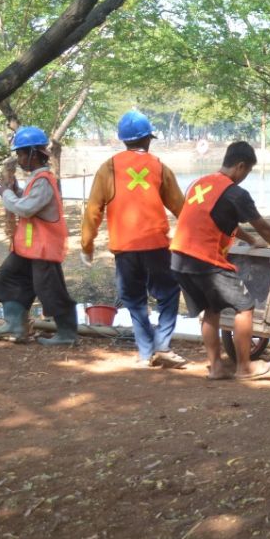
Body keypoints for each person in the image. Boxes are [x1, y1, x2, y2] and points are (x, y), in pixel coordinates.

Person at [170, 141, 270, 381]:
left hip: (178, 257)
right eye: (247, 171)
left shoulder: (199, 184)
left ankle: (216, 368)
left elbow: (221, 219)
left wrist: (250, 240)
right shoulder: (235, 193)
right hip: (203, 260)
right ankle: (245, 367)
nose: (245, 177)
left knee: (211, 310)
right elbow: (263, 225)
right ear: (240, 166)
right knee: (245, 306)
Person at [80, 111, 188, 370]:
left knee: (135, 300)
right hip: (156, 245)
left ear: (124, 140)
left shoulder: (108, 167)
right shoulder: (159, 166)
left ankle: (145, 352)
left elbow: (93, 209)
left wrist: (87, 245)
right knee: (169, 293)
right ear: (148, 139)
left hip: (124, 248)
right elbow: (181, 208)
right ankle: (162, 345)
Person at [0, 126, 77, 346]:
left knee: (51, 291)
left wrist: (6, 193)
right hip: (29, 248)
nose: (19, 159)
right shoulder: (37, 179)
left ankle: (67, 335)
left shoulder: (44, 180)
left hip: (43, 249)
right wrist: (15, 192)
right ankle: (16, 325)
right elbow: (29, 204)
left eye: (21, 154)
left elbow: (26, 209)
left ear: (34, 154)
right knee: (7, 278)